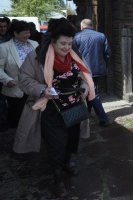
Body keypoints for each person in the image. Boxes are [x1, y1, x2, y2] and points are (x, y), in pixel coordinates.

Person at [14, 22, 95, 197]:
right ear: (53, 42)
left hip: (73, 106)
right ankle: (58, 179)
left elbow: (83, 76)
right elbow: (23, 79)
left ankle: (67, 163)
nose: (67, 48)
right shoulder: (37, 57)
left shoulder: (75, 55)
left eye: (69, 44)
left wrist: (84, 87)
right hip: (50, 109)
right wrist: (43, 90)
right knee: (56, 144)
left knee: (71, 140)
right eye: (62, 44)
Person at [0, 20, 38, 128]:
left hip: (34, 87)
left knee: (34, 117)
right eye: (24, 33)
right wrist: (7, 79)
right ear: (15, 33)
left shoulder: (34, 44)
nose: (28, 35)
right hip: (16, 88)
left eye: (28, 32)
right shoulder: (4, 48)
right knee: (20, 120)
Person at [74, 19, 111, 126]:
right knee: (92, 90)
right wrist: (104, 65)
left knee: (93, 93)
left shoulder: (76, 36)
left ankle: (103, 119)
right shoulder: (101, 36)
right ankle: (88, 114)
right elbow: (107, 53)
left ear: (82, 26)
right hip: (97, 69)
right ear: (92, 26)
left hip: (83, 69)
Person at [0, 17, 11, 132]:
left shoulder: (9, 38)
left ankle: (4, 122)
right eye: (0, 27)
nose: (2, 29)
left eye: (4, 26)